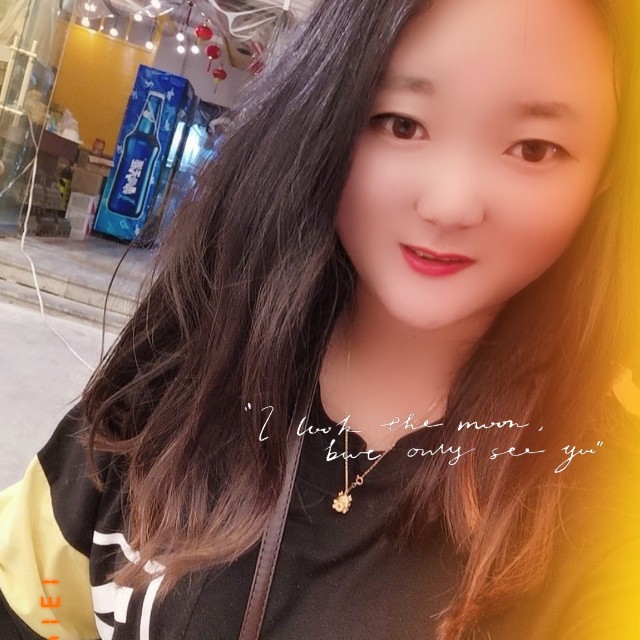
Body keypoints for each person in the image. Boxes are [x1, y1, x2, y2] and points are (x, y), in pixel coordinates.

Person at [1, 0, 639, 638]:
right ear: (322, 112)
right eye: (402, 124)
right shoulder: (184, 361)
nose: (450, 204)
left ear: (608, 170)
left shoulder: (609, 510)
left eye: (534, 149)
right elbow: (35, 593)